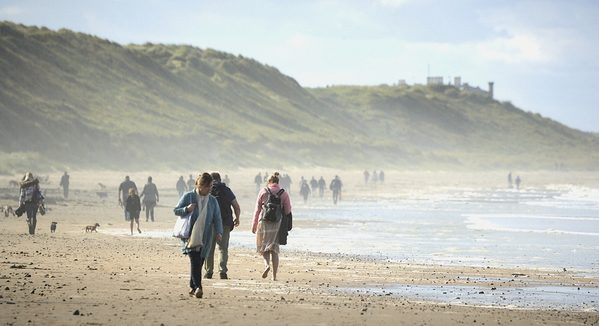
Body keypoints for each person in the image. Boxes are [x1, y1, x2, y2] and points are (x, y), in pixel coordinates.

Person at [174, 173, 223, 299]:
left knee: (200, 262)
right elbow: (176, 210)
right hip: (190, 236)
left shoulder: (212, 200)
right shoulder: (189, 197)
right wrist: (187, 209)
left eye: (211, 186)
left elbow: (217, 217)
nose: (210, 189)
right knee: (195, 261)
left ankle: (192, 286)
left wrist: (219, 232)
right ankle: (198, 287)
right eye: (208, 187)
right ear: (200, 186)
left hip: (205, 237)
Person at [252, 172, 292, 281]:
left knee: (264, 247)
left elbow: (257, 210)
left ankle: (266, 265)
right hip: (277, 223)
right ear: (278, 182)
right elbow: (288, 210)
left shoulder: (263, 191)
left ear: (268, 182)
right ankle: (274, 277)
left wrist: (254, 225)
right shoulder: (283, 193)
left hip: (263, 222)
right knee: (274, 249)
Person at [205, 172, 241, 280]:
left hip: (210, 223)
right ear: (220, 179)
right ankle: (222, 272)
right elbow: (236, 206)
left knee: (209, 249)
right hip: (225, 223)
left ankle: (208, 272)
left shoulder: (207, 190)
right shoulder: (227, 190)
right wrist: (237, 218)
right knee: (223, 248)